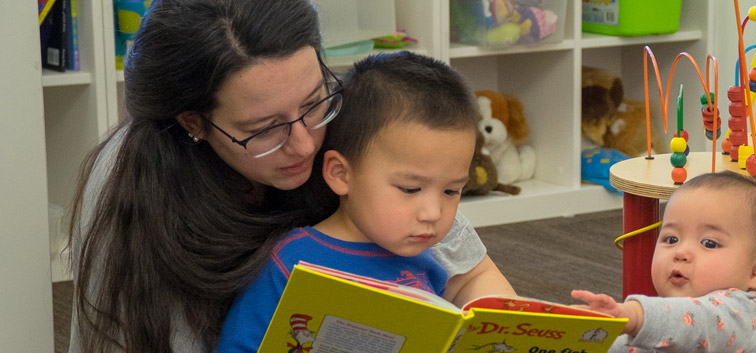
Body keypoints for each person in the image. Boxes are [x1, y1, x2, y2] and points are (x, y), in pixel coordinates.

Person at [68, 1, 512, 352]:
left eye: (314, 101)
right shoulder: (135, 189)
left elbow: (472, 274)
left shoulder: (352, 116)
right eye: (264, 129)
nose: (305, 144)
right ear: (193, 123)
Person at [215, 51, 479, 352]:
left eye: (451, 191)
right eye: (409, 189)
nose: (433, 213)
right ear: (341, 174)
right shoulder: (290, 262)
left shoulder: (427, 265)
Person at [572, 171, 756, 353]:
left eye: (709, 243)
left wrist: (633, 316)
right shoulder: (663, 322)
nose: (680, 252)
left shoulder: (739, 312)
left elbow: (695, 321)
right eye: (671, 239)